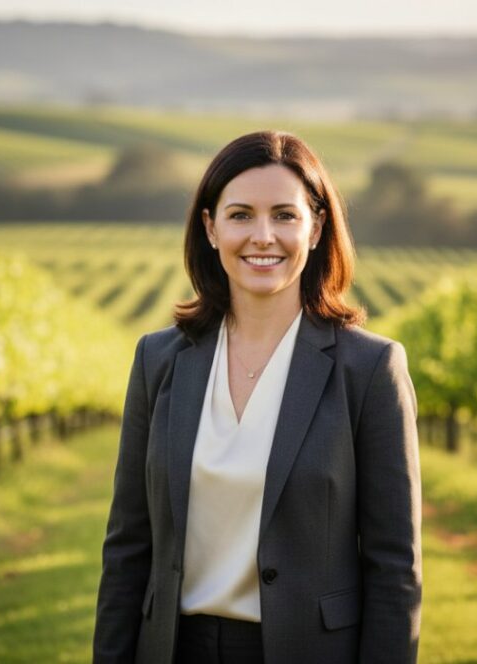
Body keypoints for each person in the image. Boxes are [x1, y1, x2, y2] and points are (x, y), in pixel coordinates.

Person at [93, 130, 422, 664]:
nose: (262, 236)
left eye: (285, 215)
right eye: (241, 214)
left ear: (316, 228)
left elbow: (394, 569)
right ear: (210, 228)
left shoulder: (369, 369)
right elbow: (128, 548)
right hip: (174, 650)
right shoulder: (158, 360)